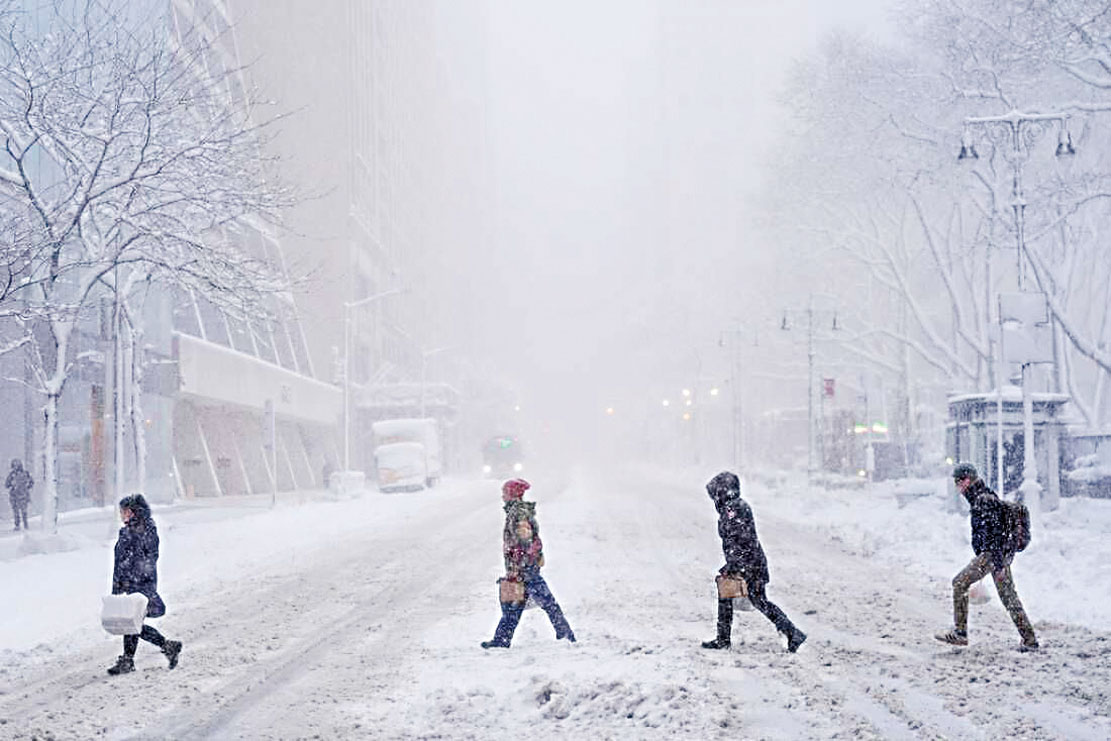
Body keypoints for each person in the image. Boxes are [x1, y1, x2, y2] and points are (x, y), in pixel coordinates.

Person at [936, 463, 1038, 651]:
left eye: (958, 482)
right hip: (999, 555)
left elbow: (996, 535)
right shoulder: (983, 497)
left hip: (993, 555)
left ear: (966, 480)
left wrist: (997, 565)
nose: (957, 488)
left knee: (959, 583)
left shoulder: (983, 500)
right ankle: (1029, 639)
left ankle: (960, 633)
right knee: (1009, 597)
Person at [702, 471, 807, 653]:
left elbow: (741, 539)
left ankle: (792, 632)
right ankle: (724, 638)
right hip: (749, 562)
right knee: (739, 597)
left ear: (723, 492)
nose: (714, 500)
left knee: (755, 600)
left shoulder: (733, 510)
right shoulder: (734, 507)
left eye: (715, 494)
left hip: (749, 564)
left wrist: (735, 566)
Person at [481, 478, 575, 648]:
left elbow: (524, 541)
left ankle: (566, 635)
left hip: (525, 568)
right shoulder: (517, 511)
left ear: (512, 494)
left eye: (505, 493)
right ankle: (502, 640)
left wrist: (518, 567)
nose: (502, 497)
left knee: (539, 603)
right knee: (517, 605)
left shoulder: (519, 514)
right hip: (524, 566)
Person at [107, 494, 183, 675]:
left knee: (132, 623)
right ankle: (164, 647)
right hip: (127, 584)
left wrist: (133, 576)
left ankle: (130, 660)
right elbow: (119, 560)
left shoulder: (146, 530)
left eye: (125, 511)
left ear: (135, 512)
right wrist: (117, 584)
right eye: (121, 512)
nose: (122, 515)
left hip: (141, 585)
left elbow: (148, 558)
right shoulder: (125, 532)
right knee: (132, 623)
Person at [6, 458, 32, 531]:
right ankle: (21, 525)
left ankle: (22, 525)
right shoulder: (13, 475)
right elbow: (7, 484)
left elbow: (31, 482)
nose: (15, 467)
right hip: (17, 496)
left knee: (20, 511)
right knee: (19, 511)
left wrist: (26, 487)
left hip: (20, 495)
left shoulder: (22, 474)